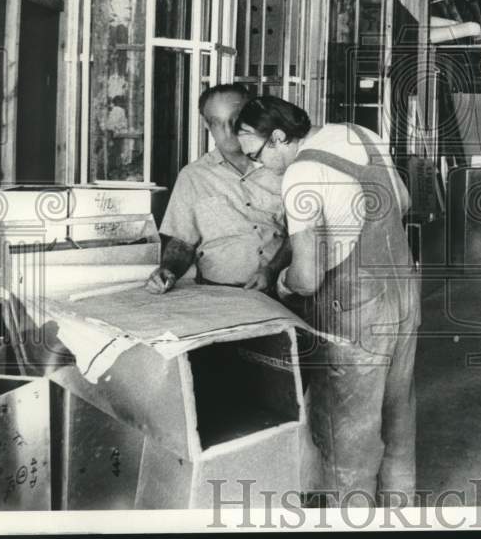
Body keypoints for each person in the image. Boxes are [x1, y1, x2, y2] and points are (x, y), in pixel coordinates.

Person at [236, 96, 419, 506]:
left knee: (347, 432)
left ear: (279, 138)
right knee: (398, 412)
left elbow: (307, 277)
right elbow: (402, 202)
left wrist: (280, 285)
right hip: (403, 292)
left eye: (257, 155)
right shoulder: (357, 133)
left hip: (355, 307)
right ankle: (401, 512)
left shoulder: (300, 175)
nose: (258, 165)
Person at [145, 83, 288, 293]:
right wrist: (168, 270)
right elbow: (182, 242)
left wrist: (271, 270)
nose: (228, 131)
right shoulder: (193, 177)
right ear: (206, 124)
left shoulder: (283, 167)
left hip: (282, 292)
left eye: (235, 120)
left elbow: (301, 236)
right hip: (218, 293)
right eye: (217, 123)